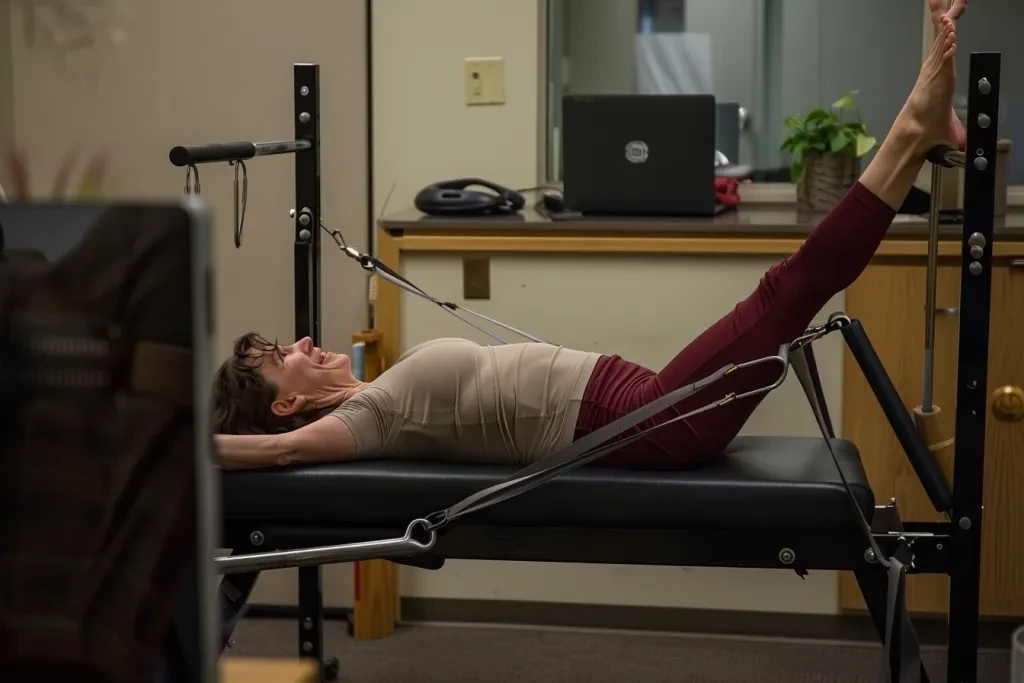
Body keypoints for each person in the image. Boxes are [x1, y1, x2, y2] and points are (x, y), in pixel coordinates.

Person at [214, 2, 968, 471]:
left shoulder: (373, 395)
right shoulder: (361, 421)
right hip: (652, 422)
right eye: (283, 359)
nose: (302, 344)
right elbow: (277, 452)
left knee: (793, 287)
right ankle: (912, 129)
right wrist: (166, 452)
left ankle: (915, 132)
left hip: (638, 400)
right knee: (792, 286)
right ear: (285, 405)